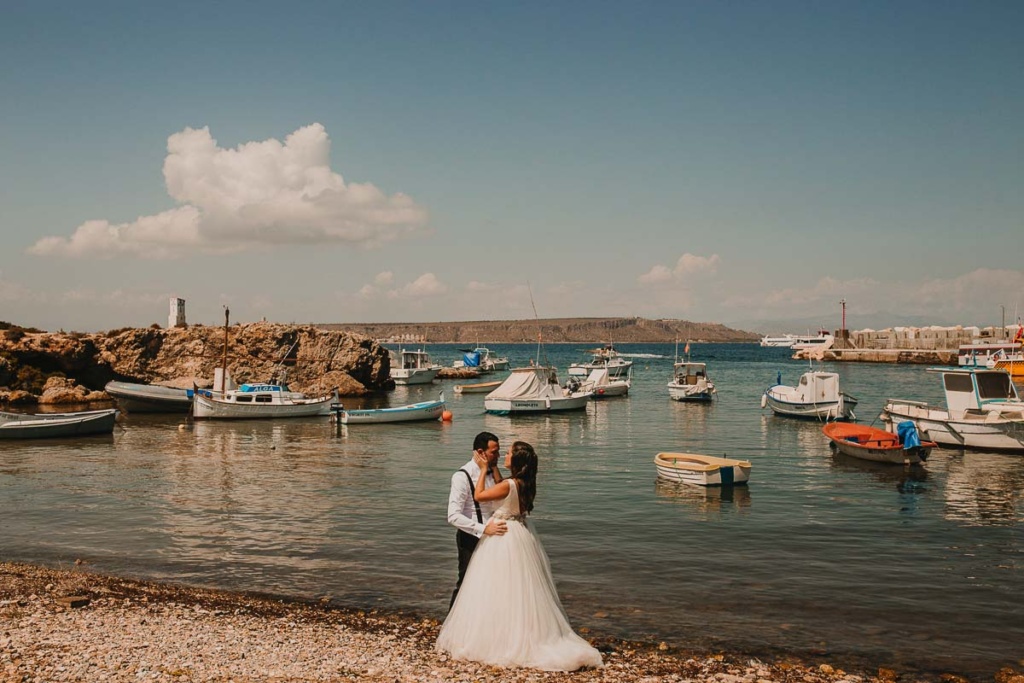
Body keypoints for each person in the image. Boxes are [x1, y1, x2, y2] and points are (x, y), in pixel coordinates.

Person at [437, 441, 603, 671]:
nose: (502, 455)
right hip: (520, 534)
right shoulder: (524, 483)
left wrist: (484, 469)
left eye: (507, 453)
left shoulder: (507, 484)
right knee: (519, 588)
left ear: (516, 461)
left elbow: (480, 495)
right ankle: (523, 632)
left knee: (496, 587)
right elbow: (503, 487)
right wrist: (494, 469)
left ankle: (499, 637)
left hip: (503, 535)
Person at [447, 431, 507, 611]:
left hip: (494, 537)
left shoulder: (492, 472)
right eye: (494, 452)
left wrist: (493, 467)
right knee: (466, 583)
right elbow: (453, 515)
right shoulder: (462, 476)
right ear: (481, 452)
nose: (498, 455)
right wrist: (482, 529)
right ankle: (451, 625)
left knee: (492, 583)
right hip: (470, 538)